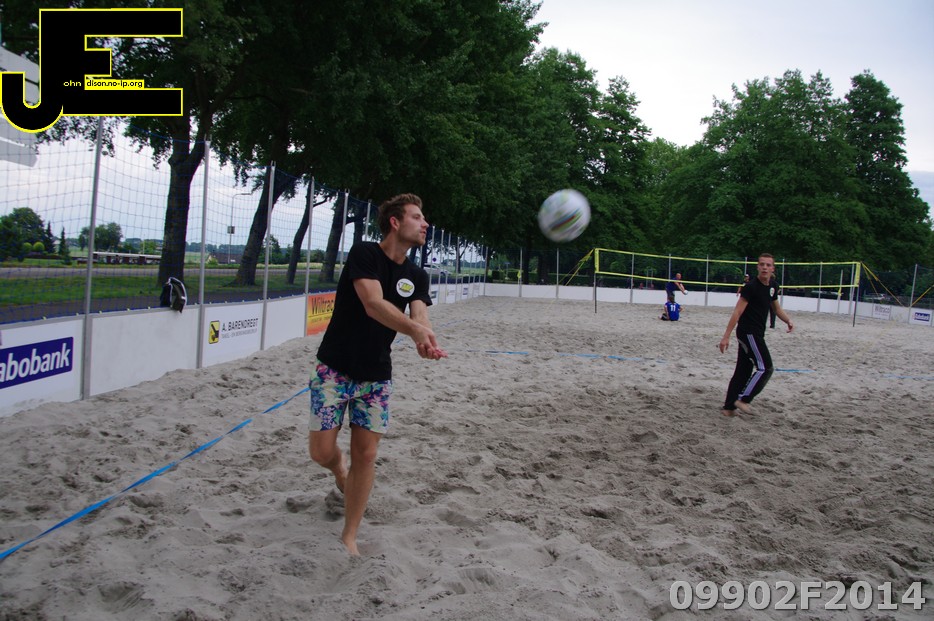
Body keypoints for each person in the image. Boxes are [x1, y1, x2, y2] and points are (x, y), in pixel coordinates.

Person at [307, 193, 447, 555]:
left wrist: (426, 338)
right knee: (321, 452)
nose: (425, 224)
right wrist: (414, 331)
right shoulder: (365, 254)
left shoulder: (416, 274)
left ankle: (349, 536)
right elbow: (373, 304)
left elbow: (419, 314)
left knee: (366, 455)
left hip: (376, 376)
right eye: (417, 217)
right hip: (334, 369)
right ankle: (338, 471)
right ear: (395, 223)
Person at [718, 253, 794, 417]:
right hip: (748, 333)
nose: (765, 267)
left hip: (756, 333)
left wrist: (788, 320)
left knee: (743, 371)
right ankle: (744, 399)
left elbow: (776, 308)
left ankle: (729, 408)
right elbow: (737, 311)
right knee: (766, 367)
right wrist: (726, 336)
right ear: (758, 267)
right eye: (762, 264)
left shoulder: (773, 286)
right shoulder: (751, 287)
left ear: (773, 268)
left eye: (768, 265)